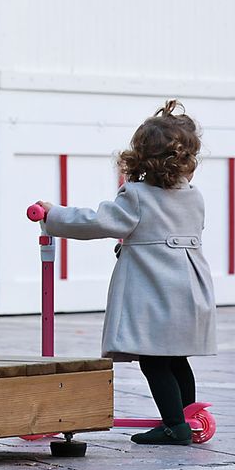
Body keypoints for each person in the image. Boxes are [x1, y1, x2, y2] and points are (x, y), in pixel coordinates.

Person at [34, 101, 216, 446]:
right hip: (188, 288)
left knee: (154, 359)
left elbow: (97, 221)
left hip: (154, 290)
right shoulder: (193, 197)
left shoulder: (136, 197)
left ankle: (174, 425)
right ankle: (189, 417)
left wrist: (52, 214)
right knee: (177, 357)